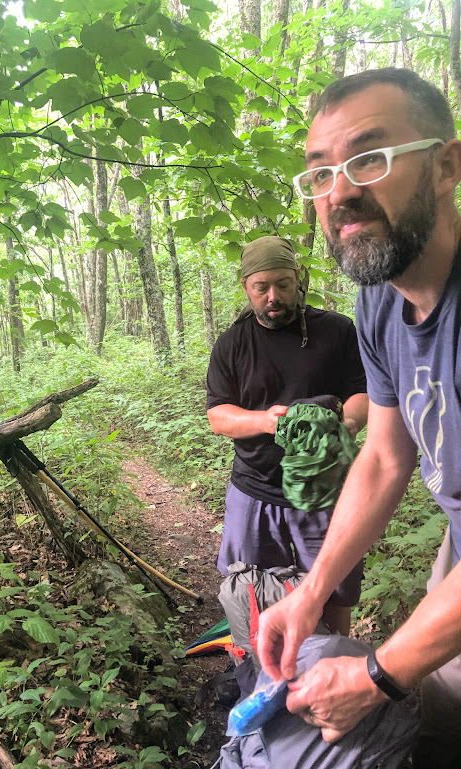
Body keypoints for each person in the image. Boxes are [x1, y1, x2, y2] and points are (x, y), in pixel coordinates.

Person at [256, 68, 461, 769]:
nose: (339, 192)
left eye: (368, 157)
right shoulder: (379, 298)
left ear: (445, 164)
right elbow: (382, 455)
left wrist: (375, 675)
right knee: (443, 709)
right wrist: (310, 594)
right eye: (319, 173)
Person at [206, 235, 369, 636]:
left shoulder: (336, 331)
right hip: (254, 486)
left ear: (299, 278)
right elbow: (219, 416)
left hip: (326, 486)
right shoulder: (232, 344)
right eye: (262, 287)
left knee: (335, 588)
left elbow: (364, 392)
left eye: (283, 284)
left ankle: (332, 663)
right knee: (248, 587)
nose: (273, 296)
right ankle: (256, 673)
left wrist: (343, 426)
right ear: (246, 286)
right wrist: (268, 422)